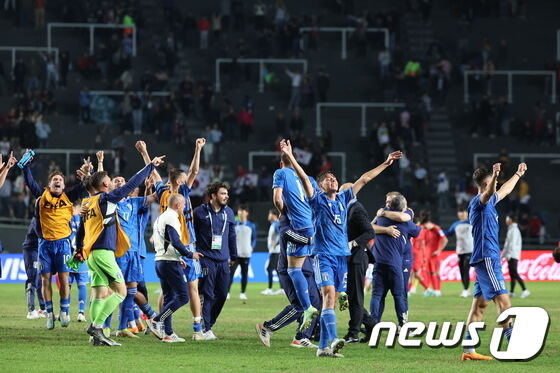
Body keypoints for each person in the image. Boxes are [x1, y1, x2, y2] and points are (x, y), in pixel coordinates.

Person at [280, 138, 401, 358]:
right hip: (323, 255)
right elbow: (302, 179)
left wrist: (385, 163)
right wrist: (291, 157)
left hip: (342, 257)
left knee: (332, 301)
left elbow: (364, 179)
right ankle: (333, 339)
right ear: (320, 186)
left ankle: (324, 348)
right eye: (327, 179)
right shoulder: (315, 200)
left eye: (334, 177)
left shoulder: (344, 198)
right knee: (328, 293)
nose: (333, 179)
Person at [80, 155, 165, 346]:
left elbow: (82, 226)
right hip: (104, 252)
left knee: (100, 293)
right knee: (121, 291)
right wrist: (150, 166)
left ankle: (100, 335)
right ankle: (98, 326)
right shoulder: (107, 198)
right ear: (105, 184)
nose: (113, 182)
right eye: (110, 180)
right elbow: (131, 183)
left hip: (92, 254)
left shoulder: (89, 202)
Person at [137, 139, 206, 340]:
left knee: (167, 291)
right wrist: (197, 149)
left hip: (165, 247)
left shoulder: (161, 192)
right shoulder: (181, 193)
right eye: (184, 179)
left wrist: (144, 152)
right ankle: (196, 329)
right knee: (190, 288)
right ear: (179, 182)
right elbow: (194, 171)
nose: (188, 180)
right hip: (184, 243)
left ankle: (166, 330)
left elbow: (152, 172)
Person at [461, 162, 528, 361]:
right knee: (504, 301)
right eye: (493, 182)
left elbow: (504, 191)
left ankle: (469, 350)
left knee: (480, 306)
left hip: (485, 258)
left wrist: (518, 174)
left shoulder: (490, 201)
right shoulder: (479, 202)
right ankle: (514, 344)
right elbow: (489, 193)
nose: (497, 185)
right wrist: (496, 176)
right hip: (487, 257)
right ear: (486, 183)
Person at [21, 152, 87, 329]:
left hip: (63, 245)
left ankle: (64, 311)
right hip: (45, 246)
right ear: (49, 184)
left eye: (60, 179)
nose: (57, 181)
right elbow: (30, 182)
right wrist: (25, 165)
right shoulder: (42, 196)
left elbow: (86, 186)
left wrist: (89, 172)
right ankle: (49, 313)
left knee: (64, 279)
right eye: (54, 179)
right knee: (45, 280)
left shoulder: (69, 197)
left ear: (64, 185)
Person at [255, 212, 321, 349]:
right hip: (289, 271)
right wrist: (313, 239)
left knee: (315, 304)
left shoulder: (306, 220)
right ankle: (267, 327)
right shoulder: (287, 224)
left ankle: (301, 337)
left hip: (307, 269)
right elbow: (294, 236)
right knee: (300, 305)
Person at [272, 147, 317, 331]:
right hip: (311, 226)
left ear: (281, 163)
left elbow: (277, 198)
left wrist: (283, 211)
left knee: (293, 269)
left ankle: (307, 308)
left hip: (298, 225)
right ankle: (308, 312)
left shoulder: (281, 172)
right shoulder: (310, 179)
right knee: (298, 269)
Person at [149, 194, 204, 343]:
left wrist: (179, 257)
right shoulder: (172, 218)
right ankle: (157, 320)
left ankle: (168, 333)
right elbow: (176, 241)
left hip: (160, 261)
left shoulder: (160, 217)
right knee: (183, 296)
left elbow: (161, 241)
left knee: (168, 298)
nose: (185, 207)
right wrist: (189, 254)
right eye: (184, 204)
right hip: (168, 263)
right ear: (178, 205)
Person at [194, 181, 238, 340]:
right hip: (206, 259)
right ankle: (206, 328)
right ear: (213, 196)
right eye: (222, 193)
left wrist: (234, 256)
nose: (226, 196)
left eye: (226, 194)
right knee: (208, 294)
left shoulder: (230, 213)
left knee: (222, 294)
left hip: (223, 260)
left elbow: (232, 235)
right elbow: (192, 234)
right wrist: (193, 252)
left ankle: (209, 324)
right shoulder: (199, 212)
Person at [370, 195, 420, 332]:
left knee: (377, 295)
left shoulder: (380, 218)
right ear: (403, 207)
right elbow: (416, 232)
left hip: (378, 262)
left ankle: (373, 325)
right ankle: (403, 325)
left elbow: (368, 227)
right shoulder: (406, 222)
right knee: (399, 295)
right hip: (394, 263)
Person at [341, 183, 375, 344]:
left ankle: (353, 333)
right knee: (352, 296)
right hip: (351, 258)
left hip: (357, 258)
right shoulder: (349, 209)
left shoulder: (357, 209)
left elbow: (369, 231)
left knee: (355, 297)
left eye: (342, 193)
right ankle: (371, 326)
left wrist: (353, 243)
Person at [445, 206, 473, 298]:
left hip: (470, 250)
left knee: (465, 270)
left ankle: (465, 290)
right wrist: (437, 231)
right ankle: (466, 289)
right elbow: (448, 233)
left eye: (463, 211)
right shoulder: (455, 224)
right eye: (460, 212)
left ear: (467, 213)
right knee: (461, 271)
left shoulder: (472, 222)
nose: (461, 213)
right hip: (460, 251)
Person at [229, 204, 256, 300]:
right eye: (240, 210)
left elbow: (254, 239)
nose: (241, 212)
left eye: (243, 210)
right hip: (235, 254)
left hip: (246, 254)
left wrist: (251, 248)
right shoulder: (234, 224)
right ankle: (227, 292)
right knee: (230, 274)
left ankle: (243, 292)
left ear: (247, 213)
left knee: (244, 274)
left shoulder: (251, 226)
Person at [419, 210, 448, 296]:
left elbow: (445, 239)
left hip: (433, 254)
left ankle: (437, 290)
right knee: (424, 273)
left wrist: (439, 250)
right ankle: (427, 289)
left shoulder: (436, 228)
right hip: (423, 255)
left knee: (434, 272)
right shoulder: (420, 227)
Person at [22, 217, 46, 319]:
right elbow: (40, 234)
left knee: (40, 279)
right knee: (33, 277)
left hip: (38, 251)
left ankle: (43, 309)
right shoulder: (38, 218)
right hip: (31, 251)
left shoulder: (45, 217)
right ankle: (31, 310)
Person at [69, 201, 88, 322]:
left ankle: (65, 312)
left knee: (67, 285)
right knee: (82, 285)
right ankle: (81, 313)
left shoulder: (66, 219)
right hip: (81, 254)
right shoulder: (85, 219)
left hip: (69, 255)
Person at [502, 215, 530, 298]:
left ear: (510, 219)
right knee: (512, 274)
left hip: (513, 255)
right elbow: (507, 245)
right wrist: (503, 255)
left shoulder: (514, 230)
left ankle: (525, 290)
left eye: (507, 218)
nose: (506, 220)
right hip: (511, 255)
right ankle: (512, 292)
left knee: (514, 273)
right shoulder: (512, 229)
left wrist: (508, 255)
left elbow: (512, 244)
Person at [261, 209, 281, 295]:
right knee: (277, 270)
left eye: (270, 214)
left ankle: (269, 288)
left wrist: (276, 243)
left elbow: (282, 234)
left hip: (275, 251)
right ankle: (282, 288)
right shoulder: (274, 224)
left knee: (269, 269)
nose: (269, 216)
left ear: (274, 215)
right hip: (275, 251)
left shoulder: (276, 224)